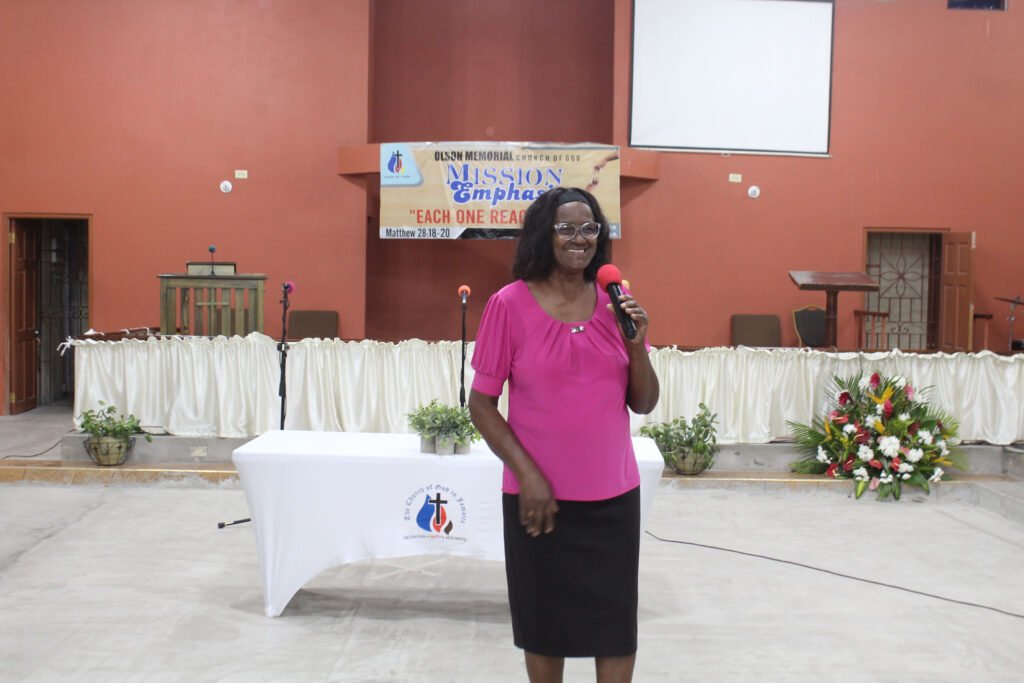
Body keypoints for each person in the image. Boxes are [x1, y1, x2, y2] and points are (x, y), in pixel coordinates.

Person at [468, 187, 660, 683]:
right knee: (545, 627)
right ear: (543, 235)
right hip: (540, 503)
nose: (580, 239)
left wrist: (637, 347)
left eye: (590, 227)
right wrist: (528, 476)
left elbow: (643, 402)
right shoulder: (508, 306)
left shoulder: (617, 304)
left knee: (614, 628)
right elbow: (481, 405)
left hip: (613, 500)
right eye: (566, 228)